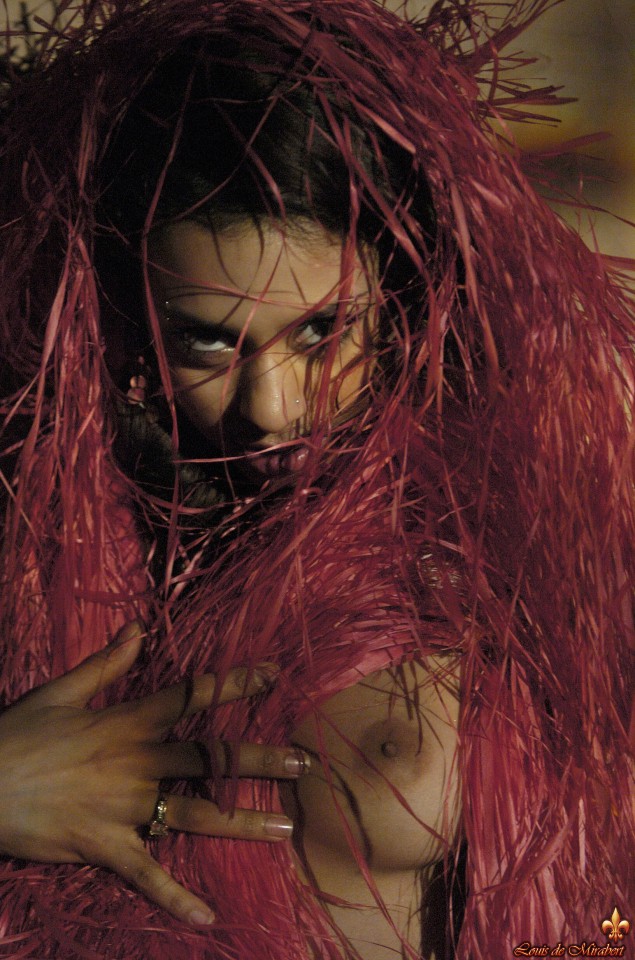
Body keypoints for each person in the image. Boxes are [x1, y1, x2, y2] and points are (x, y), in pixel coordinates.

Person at [0, 0, 633, 958]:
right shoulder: (32, 531)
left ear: (405, 299)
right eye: (206, 341)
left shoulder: (548, 534)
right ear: (128, 320)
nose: (271, 407)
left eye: (321, 333)